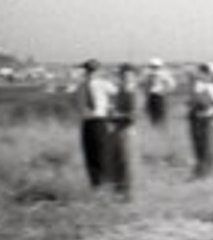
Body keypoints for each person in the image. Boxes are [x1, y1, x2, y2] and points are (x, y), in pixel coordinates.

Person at [74, 59, 116, 188]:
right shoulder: (81, 86)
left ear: (97, 71)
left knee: (101, 154)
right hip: (88, 123)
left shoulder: (103, 84)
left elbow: (117, 94)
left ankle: (105, 184)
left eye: (91, 70)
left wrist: (111, 109)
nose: (89, 72)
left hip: (99, 122)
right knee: (90, 155)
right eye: (87, 70)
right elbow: (76, 103)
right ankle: (96, 185)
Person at [108, 62, 140, 198]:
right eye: (123, 75)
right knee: (117, 161)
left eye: (129, 76)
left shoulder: (133, 93)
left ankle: (128, 194)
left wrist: (116, 115)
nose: (126, 78)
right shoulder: (120, 91)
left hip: (128, 131)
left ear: (134, 77)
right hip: (117, 130)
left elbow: (134, 116)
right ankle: (118, 191)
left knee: (127, 162)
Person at [187, 63, 213, 178]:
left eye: (205, 72)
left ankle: (206, 171)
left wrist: (208, 113)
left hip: (206, 119)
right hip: (194, 117)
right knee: (196, 144)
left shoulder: (212, 88)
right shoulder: (196, 85)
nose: (201, 74)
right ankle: (199, 169)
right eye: (201, 72)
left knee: (206, 145)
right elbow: (193, 100)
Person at [141, 57, 178, 126]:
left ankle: (160, 129)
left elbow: (173, 84)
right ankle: (154, 129)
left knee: (160, 115)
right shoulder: (147, 74)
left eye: (155, 66)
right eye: (152, 66)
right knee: (152, 115)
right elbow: (141, 83)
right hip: (151, 96)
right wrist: (145, 90)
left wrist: (165, 91)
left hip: (160, 97)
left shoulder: (164, 74)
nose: (154, 68)